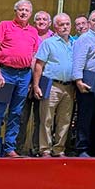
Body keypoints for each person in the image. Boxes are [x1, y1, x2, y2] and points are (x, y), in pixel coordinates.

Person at [0, 0, 40, 158]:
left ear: (30, 14)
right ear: (15, 11)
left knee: (16, 113)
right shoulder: (5, 25)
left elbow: (33, 57)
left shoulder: (33, 31)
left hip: (24, 75)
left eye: (27, 10)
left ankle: (9, 147)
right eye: (21, 10)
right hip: (5, 73)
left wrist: (31, 81)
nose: (23, 13)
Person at [33, 13, 74, 157]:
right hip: (52, 85)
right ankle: (45, 149)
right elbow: (39, 65)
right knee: (46, 119)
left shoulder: (74, 43)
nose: (64, 27)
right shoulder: (48, 43)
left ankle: (59, 149)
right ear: (55, 26)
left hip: (69, 87)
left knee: (64, 120)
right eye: (61, 24)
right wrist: (36, 85)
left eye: (67, 24)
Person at [16, 10, 53, 156]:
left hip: (45, 82)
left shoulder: (54, 37)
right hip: (25, 79)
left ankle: (37, 149)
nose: (41, 21)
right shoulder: (29, 34)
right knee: (21, 117)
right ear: (34, 21)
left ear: (50, 23)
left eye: (45, 19)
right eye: (38, 19)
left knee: (41, 118)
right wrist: (31, 81)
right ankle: (16, 149)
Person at [72, 9, 95, 157]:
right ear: (89, 23)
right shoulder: (85, 38)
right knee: (85, 115)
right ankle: (82, 148)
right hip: (87, 80)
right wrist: (78, 81)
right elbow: (78, 60)